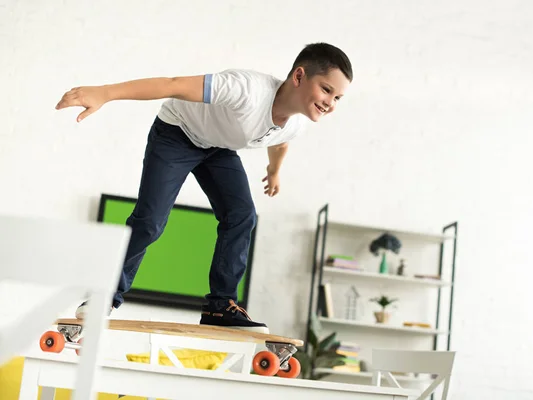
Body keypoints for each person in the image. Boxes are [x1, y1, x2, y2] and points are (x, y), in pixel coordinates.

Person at [55, 42, 353, 334]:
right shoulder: (245, 89)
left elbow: (280, 141)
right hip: (176, 133)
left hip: (217, 148)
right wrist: (105, 94)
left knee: (242, 215)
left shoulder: (297, 124)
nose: (330, 103)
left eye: (338, 97)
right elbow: (173, 84)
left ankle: (220, 306)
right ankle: (104, 296)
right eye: (326, 89)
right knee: (151, 221)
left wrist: (273, 171)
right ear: (299, 76)